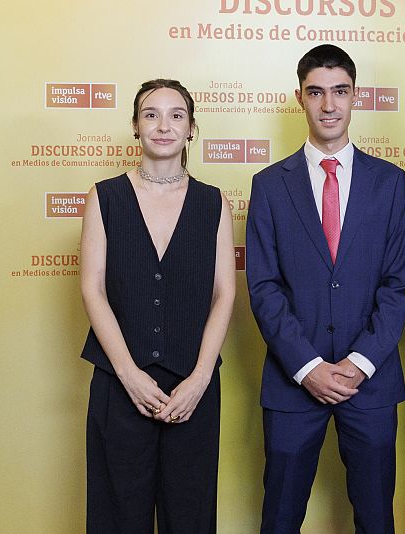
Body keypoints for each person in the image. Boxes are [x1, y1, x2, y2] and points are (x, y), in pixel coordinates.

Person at [246, 44, 405, 533]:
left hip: (372, 380)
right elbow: (264, 287)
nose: (328, 105)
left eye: (339, 92)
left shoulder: (389, 183)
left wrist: (358, 364)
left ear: (354, 96)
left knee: (376, 518)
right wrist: (309, 368)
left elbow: (398, 285)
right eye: (316, 92)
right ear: (299, 97)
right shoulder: (269, 186)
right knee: (279, 518)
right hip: (293, 381)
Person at [79, 79, 235, 534]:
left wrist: (201, 378)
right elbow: (92, 289)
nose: (163, 125)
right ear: (135, 126)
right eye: (151, 114)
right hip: (119, 384)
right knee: (118, 515)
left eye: (176, 115)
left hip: (194, 385)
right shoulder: (104, 197)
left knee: (190, 514)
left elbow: (225, 291)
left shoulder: (213, 202)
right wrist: (128, 375)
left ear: (191, 129)